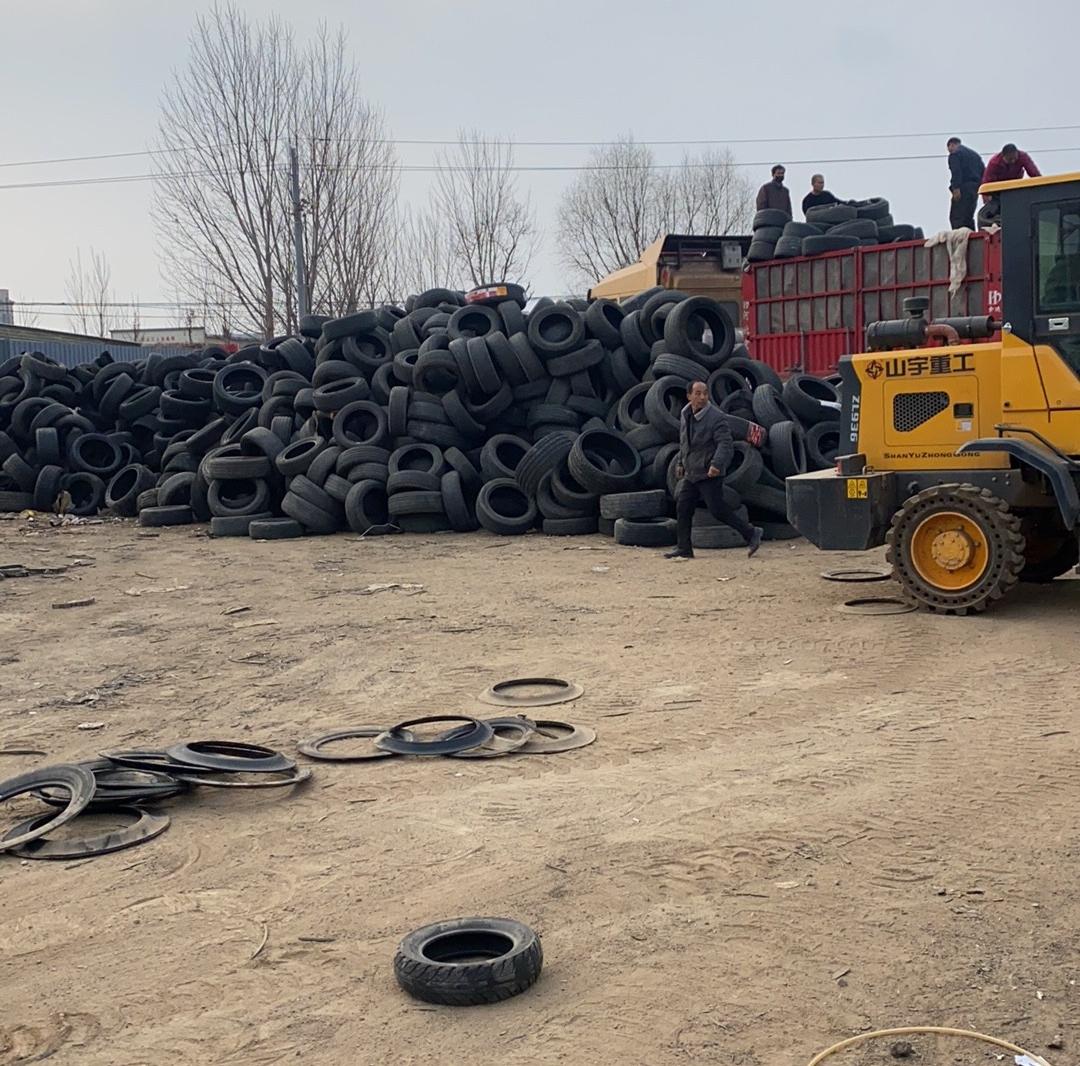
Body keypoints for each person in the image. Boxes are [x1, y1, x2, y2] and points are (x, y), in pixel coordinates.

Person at [664, 381, 764, 561]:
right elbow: (684, 441)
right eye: (698, 393)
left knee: (717, 510)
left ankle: (751, 532)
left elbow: (725, 444)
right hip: (692, 472)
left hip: (710, 472)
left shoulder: (716, 417)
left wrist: (716, 464)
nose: (702, 397)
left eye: (705, 393)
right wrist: (680, 462)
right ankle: (684, 548)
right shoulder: (685, 413)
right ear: (689, 396)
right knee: (683, 507)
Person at [979, 144, 1042, 227]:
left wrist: (1040, 187)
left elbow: (1034, 174)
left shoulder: (1023, 157)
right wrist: (986, 197)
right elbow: (987, 182)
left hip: (1014, 186)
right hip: (998, 191)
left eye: (1014, 159)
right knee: (992, 209)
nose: (1012, 161)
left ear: (1017, 154)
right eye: (1009, 159)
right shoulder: (994, 163)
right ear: (1003, 156)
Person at [946, 137, 985, 231]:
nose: (949, 151)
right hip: (975, 188)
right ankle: (971, 236)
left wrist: (956, 188)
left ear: (952, 145)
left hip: (963, 188)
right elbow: (983, 171)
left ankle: (958, 238)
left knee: (957, 217)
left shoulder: (955, 154)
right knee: (968, 216)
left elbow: (956, 171)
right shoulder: (975, 155)